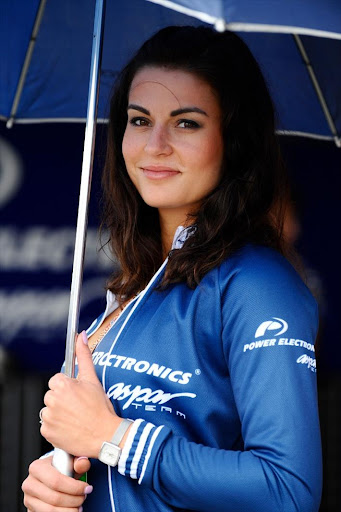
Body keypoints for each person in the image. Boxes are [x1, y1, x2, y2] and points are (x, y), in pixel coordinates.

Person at [22, 26, 322, 512]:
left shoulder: (258, 285)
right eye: (139, 120)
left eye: (186, 123)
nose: (155, 144)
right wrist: (53, 485)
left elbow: (288, 490)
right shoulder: (133, 288)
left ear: (235, 140)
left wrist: (115, 438)